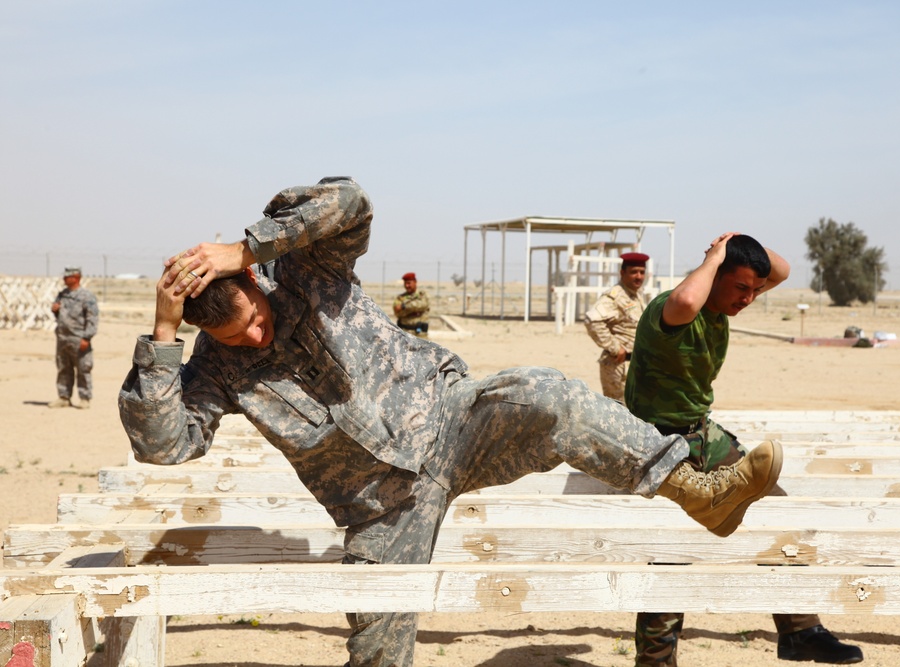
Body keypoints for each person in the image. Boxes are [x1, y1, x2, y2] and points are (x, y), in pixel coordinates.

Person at [118, 177, 783, 667]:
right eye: (238, 337)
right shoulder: (214, 369)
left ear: (257, 285)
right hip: (382, 506)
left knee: (547, 392)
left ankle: (700, 490)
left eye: (256, 317)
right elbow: (164, 445)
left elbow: (351, 202)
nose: (257, 336)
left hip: (453, 423)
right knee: (378, 649)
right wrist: (163, 334)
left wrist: (247, 247)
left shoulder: (304, 271)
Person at [625, 233, 863, 666]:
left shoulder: (722, 305)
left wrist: (736, 239)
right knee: (670, 547)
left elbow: (782, 269)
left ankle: (800, 630)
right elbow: (684, 299)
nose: (749, 299)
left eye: (755, 290)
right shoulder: (670, 308)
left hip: (700, 433)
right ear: (715, 276)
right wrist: (716, 256)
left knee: (772, 504)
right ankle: (656, 660)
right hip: (653, 441)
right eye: (741, 288)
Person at [583, 252, 649, 402]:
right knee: (620, 415)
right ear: (622, 273)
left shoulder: (635, 295)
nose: (638, 276)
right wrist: (614, 347)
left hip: (634, 364)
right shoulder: (615, 296)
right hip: (618, 366)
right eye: (633, 272)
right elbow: (592, 320)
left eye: (642, 272)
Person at [49, 267, 99, 409]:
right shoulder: (62, 295)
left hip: (79, 338)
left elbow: (92, 319)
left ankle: (84, 398)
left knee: (83, 368)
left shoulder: (86, 296)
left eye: (67, 277)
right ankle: (64, 397)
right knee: (63, 368)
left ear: (76, 278)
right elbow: (59, 314)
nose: (64, 279)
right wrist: (55, 311)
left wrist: (87, 337)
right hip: (63, 338)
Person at [393, 272, 430, 337]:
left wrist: (404, 306)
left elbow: (423, 305)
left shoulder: (422, 295)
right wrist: (414, 309)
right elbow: (397, 312)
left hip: (420, 334)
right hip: (404, 334)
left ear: (415, 282)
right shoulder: (400, 297)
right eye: (405, 283)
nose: (407, 286)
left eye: (409, 283)